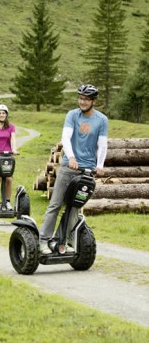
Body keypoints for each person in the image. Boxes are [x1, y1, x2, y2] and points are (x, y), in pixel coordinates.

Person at [38, 84, 108, 254]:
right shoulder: (72, 115)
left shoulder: (101, 120)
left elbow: (102, 144)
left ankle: (66, 240)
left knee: (75, 207)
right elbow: (66, 137)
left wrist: (99, 166)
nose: (82, 102)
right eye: (80, 98)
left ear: (93, 101)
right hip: (69, 168)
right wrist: (71, 157)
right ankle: (43, 240)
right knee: (55, 204)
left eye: (86, 99)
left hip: (87, 171)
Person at [0, 104, 18, 211]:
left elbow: (13, 138)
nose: (2, 115)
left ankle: (8, 202)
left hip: (7, 156)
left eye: (3, 113)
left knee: (9, 179)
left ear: (6, 114)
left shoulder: (11, 127)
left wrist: (14, 148)